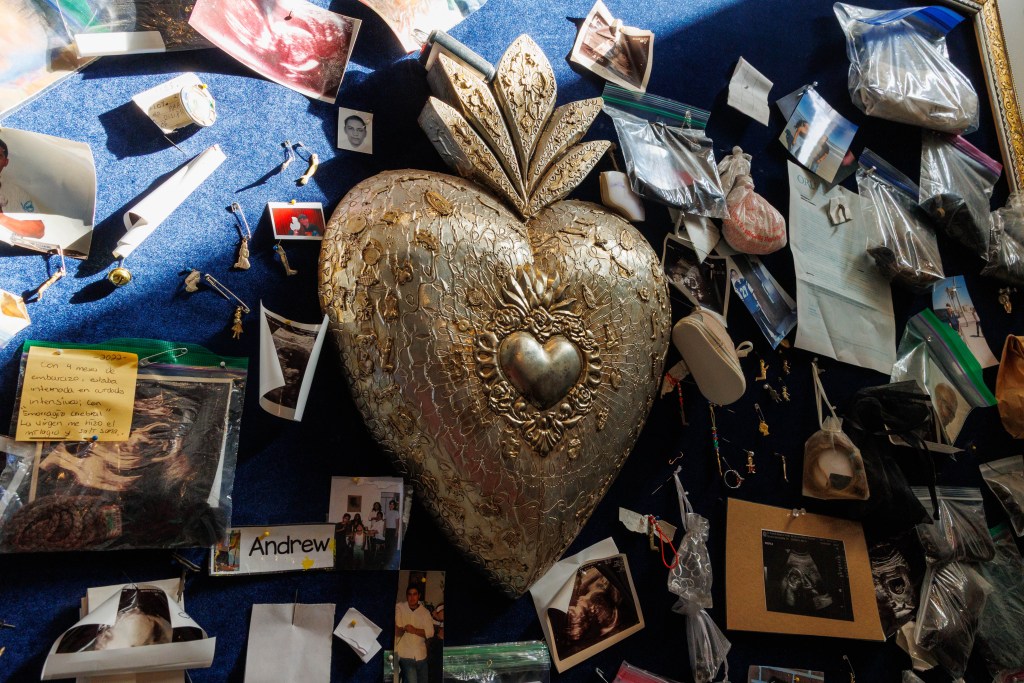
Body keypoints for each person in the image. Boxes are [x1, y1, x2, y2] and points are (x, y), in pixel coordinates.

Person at [0, 138, 45, 239]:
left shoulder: (16, 192)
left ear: (5, 162)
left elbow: (38, 230)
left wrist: (2, 218)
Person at [395, 585, 434, 683]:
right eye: (409, 594)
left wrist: (414, 630)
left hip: (421, 654)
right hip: (405, 653)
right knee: (412, 680)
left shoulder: (425, 612)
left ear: (419, 596)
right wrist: (401, 629)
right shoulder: (400, 607)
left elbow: (430, 633)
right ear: (406, 596)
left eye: (415, 594)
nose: (412, 597)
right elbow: (398, 630)